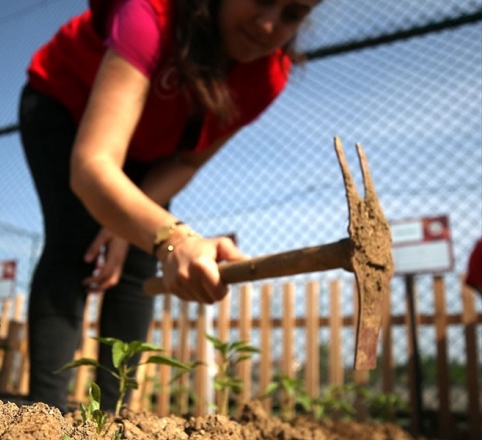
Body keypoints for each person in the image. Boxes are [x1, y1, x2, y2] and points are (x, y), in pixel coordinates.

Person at [18, 0, 320, 411]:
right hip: (66, 108)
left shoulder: (268, 77)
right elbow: (92, 166)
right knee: (76, 241)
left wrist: (134, 226)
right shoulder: (150, 14)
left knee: (139, 262)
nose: (268, 25)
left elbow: (187, 160)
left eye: (292, 14)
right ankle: (42, 415)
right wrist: (171, 236)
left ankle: (110, 417)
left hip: (153, 148)